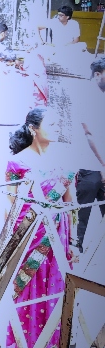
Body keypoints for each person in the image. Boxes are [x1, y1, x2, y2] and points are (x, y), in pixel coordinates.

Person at [4, 109, 76, 348]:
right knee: (29, 290)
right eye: (52, 124)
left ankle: (55, 345)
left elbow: (71, 203)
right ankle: (27, 346)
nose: (57, 128)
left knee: (57, 288)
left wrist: (73, 244)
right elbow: (11, 206)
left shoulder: (64, 163)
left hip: (59, 236)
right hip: (31, 238)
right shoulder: (17, 165)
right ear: (34, 129)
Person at [71, 56, 105, 251]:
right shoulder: (86, 97)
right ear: (98, 74)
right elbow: (90, 134)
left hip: (100, 168)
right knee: (82, 215)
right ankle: (76, 254)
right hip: (90, 169)